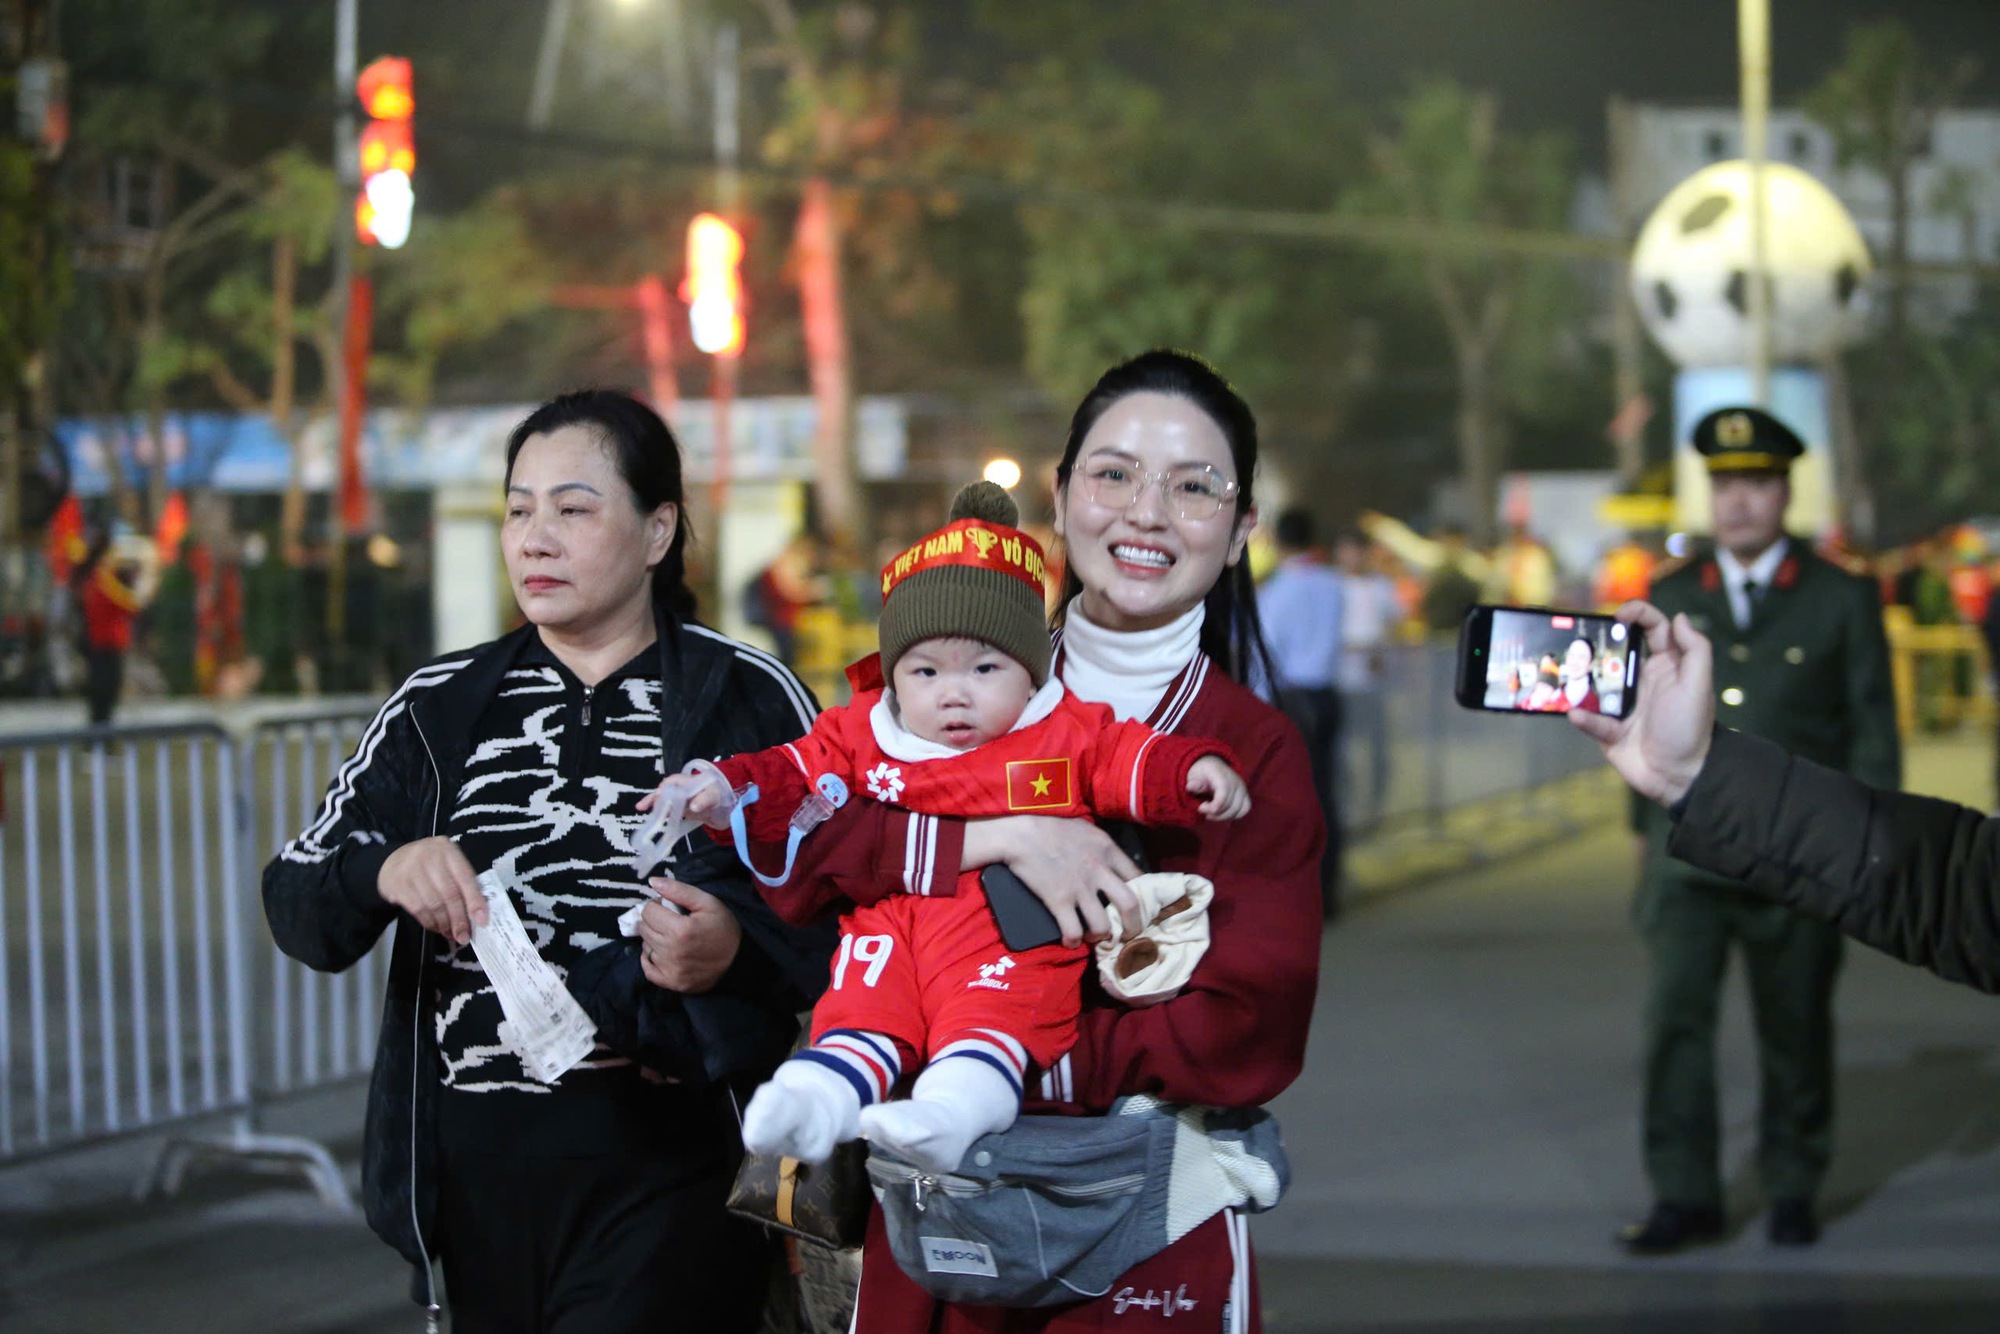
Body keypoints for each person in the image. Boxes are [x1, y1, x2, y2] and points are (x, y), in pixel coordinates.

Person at [260, 390, 836, 1334]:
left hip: (675, 1166)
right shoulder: (438, 705)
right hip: (478, 1176)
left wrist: (735, 946)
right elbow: (296, 898)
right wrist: (383, 870)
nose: (535, 538)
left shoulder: (745, 694)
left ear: (658, 531)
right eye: (518, 510)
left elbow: (852, 903)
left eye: (573, 509)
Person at [774, 349, 1324, 1332]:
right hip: (929, 1211)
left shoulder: (1244, 749)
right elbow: (804, 857)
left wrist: (1001, 1051)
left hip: (1138, 1216)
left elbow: (1245, 1024)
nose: (1146, 512)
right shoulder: (940, 680)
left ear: (1240, 528)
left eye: (1193, 486)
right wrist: (995, 839)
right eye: (1113, 474)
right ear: (1061, 495)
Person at [656, 481, 1250, 1176]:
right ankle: (815, 1098)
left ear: (1029, 674)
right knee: (858, 1008)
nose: (954, 692)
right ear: (893, 675)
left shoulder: (1060, 732)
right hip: (889, 926)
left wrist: (1192, 768)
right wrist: (722, 785)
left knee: (993, 1021)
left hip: (1003, 937)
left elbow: (1126, 755)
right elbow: (791, 769)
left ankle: (952, 1113)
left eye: (986, 668)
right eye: (926, 670)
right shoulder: (860, 734)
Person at [1617, 405, 1899, 1254]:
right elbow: (1638, 725)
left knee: (1797, 1030)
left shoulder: (1840, 597)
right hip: (1687, 858)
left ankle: (1791, 1187)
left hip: (1798, 859)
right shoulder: (1670, 599)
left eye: (1756, 484)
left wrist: (1868, 846)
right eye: (1725, 485)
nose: (1738, 503)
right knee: (1674, 1031)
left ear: (1784, 491)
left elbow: (1873, 730)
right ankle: (1684, 1196)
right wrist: (1642, 833)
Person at [1582, 600, 2000, 998]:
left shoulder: (1838, 592)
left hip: (1795, 888)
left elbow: (1871, 719)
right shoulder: (1679, 586)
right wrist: (1695, 771)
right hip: (1734, 851)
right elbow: (1954, 890)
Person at [1255, 507, 1346, 916]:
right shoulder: (1332, 583)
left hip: (1291, 698)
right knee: (1325, 791)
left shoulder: (1278, 591)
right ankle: (1328, 888)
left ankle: (1298, 889)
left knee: (1291, 797)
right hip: (1327, 692)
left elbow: (1267, 651)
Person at [75, 526, 161, 725]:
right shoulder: (104, 579)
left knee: (102, 694)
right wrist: (144, 589)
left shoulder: (97, 578)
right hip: (107, 644)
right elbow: (130, 604)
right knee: (105, 693)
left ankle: (99, 736)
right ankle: (100, 738)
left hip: (102, 643)